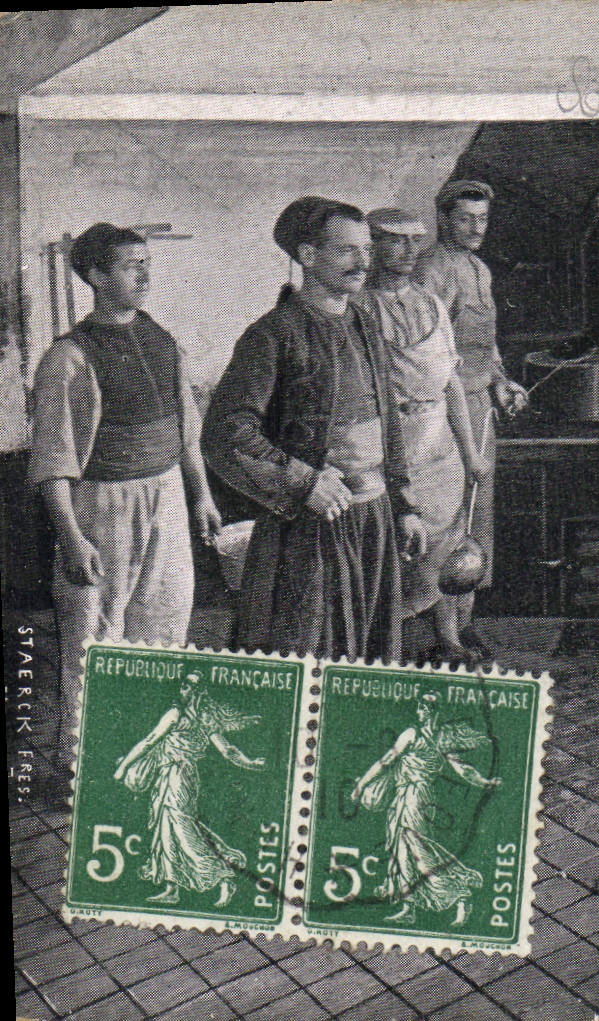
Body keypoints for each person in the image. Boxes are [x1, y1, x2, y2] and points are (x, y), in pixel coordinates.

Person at [203, 197, 426, 661]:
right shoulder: (273, 333)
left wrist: (403, 504)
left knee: (372, 652)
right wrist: (304, 482)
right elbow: (226, 432)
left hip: (375, 518)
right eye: (347, 251)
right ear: (307, 255)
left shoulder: (365, 323)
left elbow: (389, 426)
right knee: (307, 655)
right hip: (310, 525)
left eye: (366, 250)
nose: (364, 262)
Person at [27, 223, 222, 708]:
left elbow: (187, 431)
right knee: (96, 626)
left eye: (147, 264)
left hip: (169, 493)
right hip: (104, 502)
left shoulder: (161, 339)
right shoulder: (68, 357)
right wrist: (72, 537)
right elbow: (53, 460)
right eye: (131, 266)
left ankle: (147, 724)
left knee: (167, 615)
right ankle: (82, 752)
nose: (144, 275)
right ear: (95, 275)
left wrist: (201, 496)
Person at [363, 208, 491, 667]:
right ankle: (386, 644)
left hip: (440, 446)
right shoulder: (359, 309)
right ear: (371, 245)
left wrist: (471, 452)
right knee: (394, 550)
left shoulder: (431, 305)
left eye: (414, 241)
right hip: (390, 445)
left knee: (445, 544)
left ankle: (448, 638)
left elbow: (450, 383)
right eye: (395, 241)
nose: (408, 251)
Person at [414, 180, 528, 653]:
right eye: (465, 218)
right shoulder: (432, 270)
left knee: (477, 519)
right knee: (447, 520)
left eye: (482, 218)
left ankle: (464, 623)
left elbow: (486, 340)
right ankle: (443, 636)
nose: (477, 228)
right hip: (445, 411)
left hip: (480, 406)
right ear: (444, 219)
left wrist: (502, 380)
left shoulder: (479, 269)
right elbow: (429, 354)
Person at [112, 674, 264, 906]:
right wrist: (249, 762)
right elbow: (229, 751)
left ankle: (224, 877)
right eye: (181, 686)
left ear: (197, 691)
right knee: (166, 832)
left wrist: (122, 767)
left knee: (183, 831)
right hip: (176, 777)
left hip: (177, 778)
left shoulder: (177, 716)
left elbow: (148, 741)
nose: (180, 690)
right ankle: (172, 888)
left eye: (185, 687)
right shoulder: (203, 719)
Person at [350, 692, 498, 926]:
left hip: (415, 797)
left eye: (421, 708)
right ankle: (409, 906)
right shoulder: (440, 739)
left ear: (431, 712)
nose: (418, 712)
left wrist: (361, 784)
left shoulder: (415, 734)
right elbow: (464, 771)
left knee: (418, 848)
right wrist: (484, 782)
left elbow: (386, 761)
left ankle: (460, 896)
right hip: (408, 796)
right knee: (403, 850)